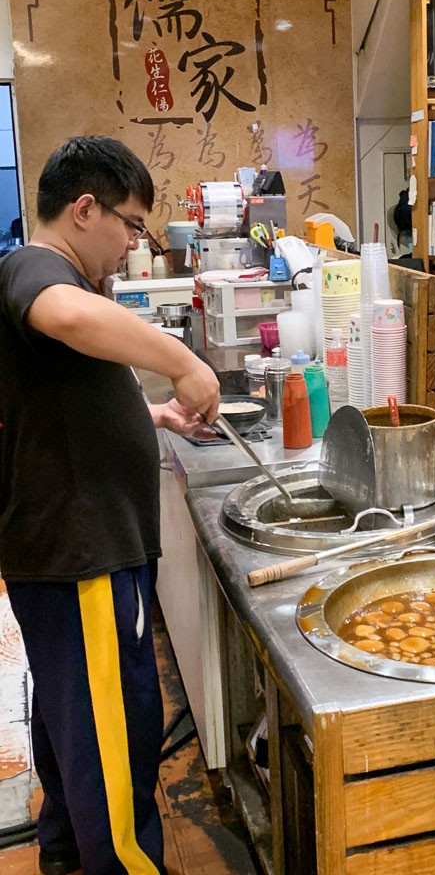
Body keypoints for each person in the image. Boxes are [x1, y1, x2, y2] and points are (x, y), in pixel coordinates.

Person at [0, 136, 220, 875]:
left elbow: (66, 397)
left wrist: (149, 416)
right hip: (82, 553)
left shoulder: (56, 275)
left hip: (73, 552)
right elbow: (65, 316)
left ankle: (63, 851)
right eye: (130, 224)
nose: (133, 243)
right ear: (83, 207)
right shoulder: (38, 268)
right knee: (110, 739)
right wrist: (184, 362)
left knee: (73, 723)